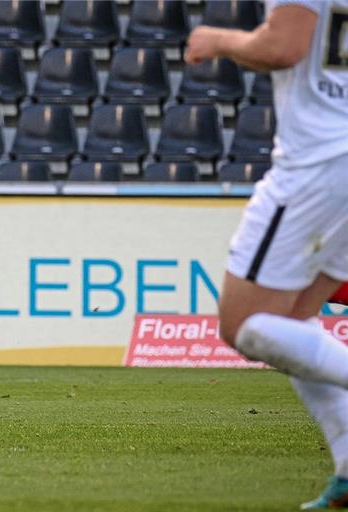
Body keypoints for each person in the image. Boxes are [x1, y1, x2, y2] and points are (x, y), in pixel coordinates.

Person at [185, 1, 348, 509]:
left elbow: (283, 46)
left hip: (317, 166)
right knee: (295, 324)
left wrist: (219, 40)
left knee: (246, 323)